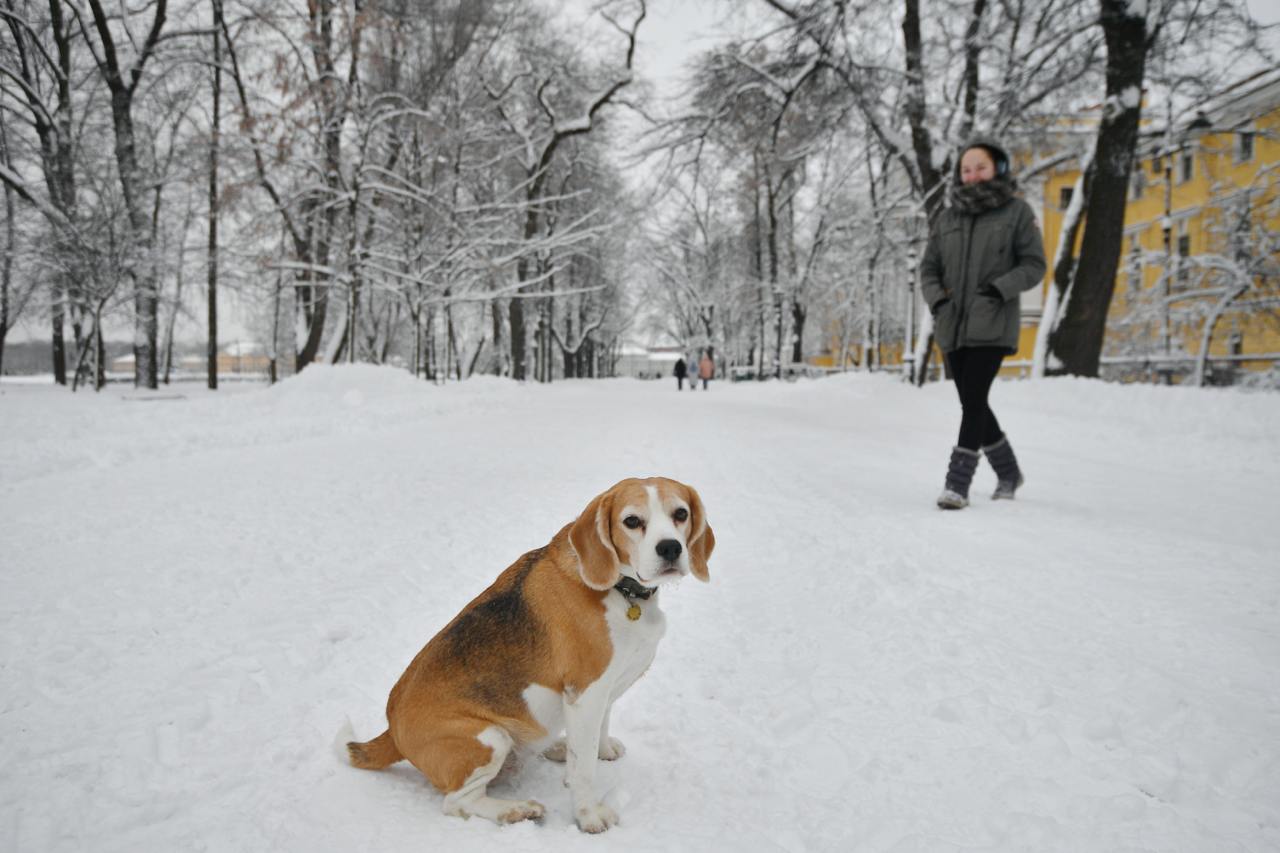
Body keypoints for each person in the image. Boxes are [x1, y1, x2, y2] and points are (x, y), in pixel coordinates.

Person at [920, 139, 1046, 510]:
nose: (972, 175)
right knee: (972, 401)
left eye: (981, 167)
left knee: (973, 400)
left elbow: (1034, 265)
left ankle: (957, 484)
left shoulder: (1017, 213)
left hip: (992, 321)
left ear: (998, 169)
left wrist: (998, 289)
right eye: (966, 169)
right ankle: (1008, 472)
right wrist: (938, 300)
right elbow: (928, 268)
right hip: (952, 324)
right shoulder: (948, 219)